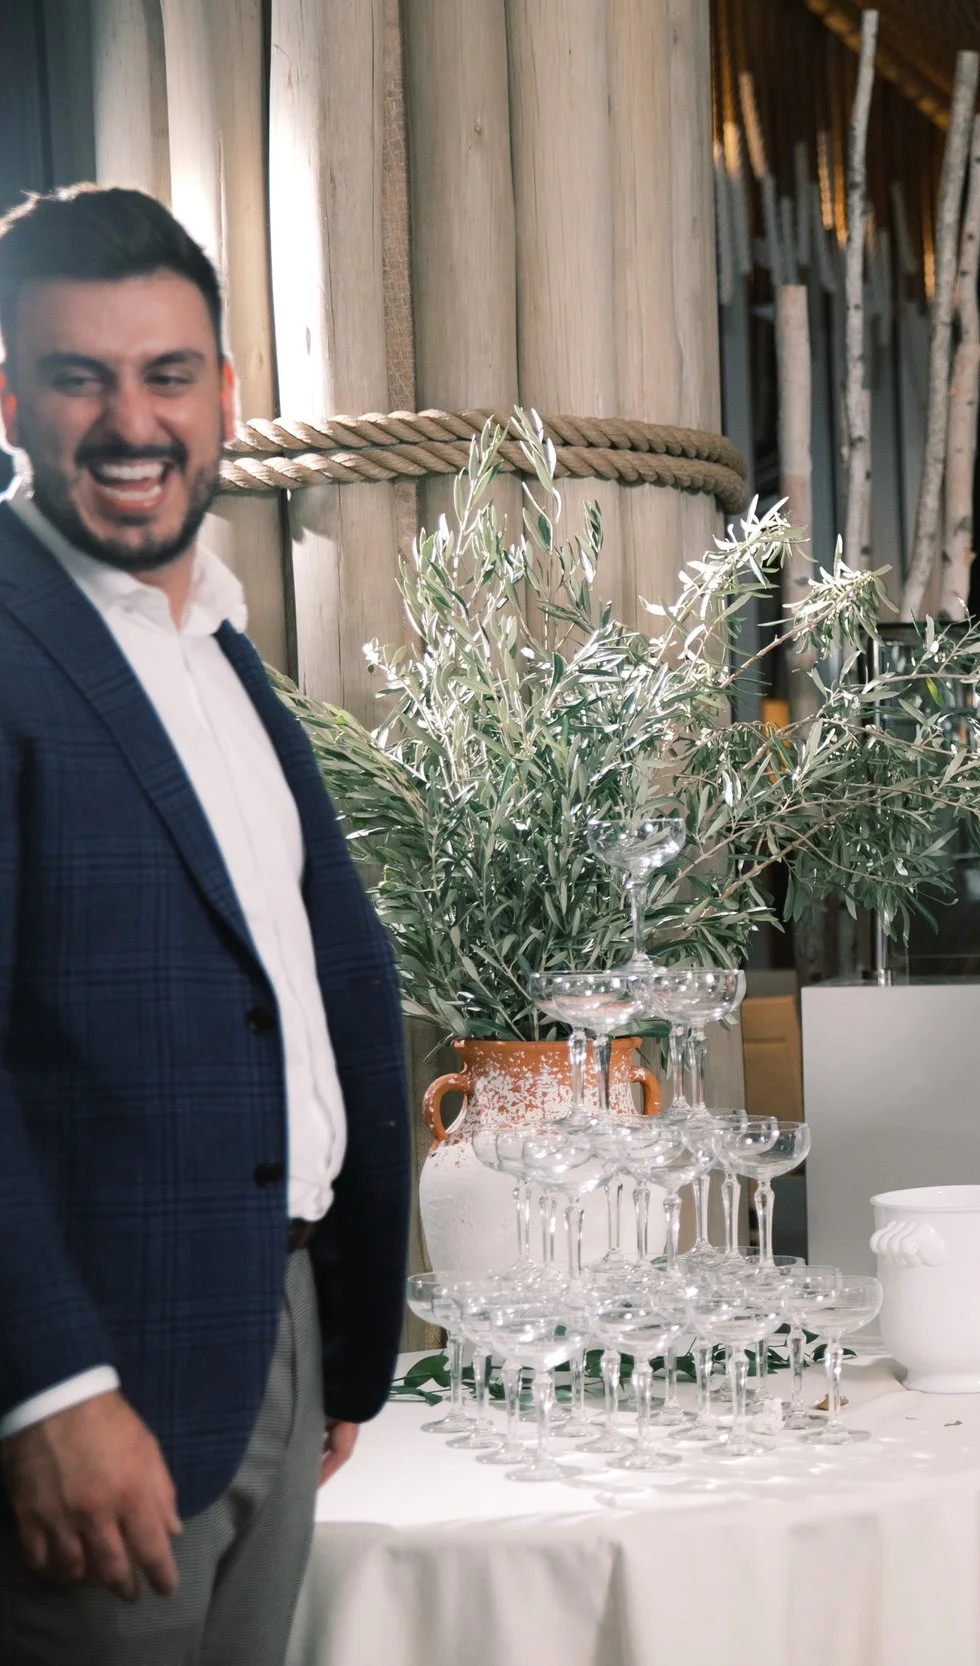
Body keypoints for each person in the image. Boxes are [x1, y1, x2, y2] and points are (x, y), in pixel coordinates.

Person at [0, 186, 409, 1662]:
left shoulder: (221, 648)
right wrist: (43, 1392)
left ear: (226, 394)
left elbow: (295, 996)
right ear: (9, 398)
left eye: (168, 374)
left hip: (276, 1341)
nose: (131, 420)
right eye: (78, 375)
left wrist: (339, 1344)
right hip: (93, 1386)